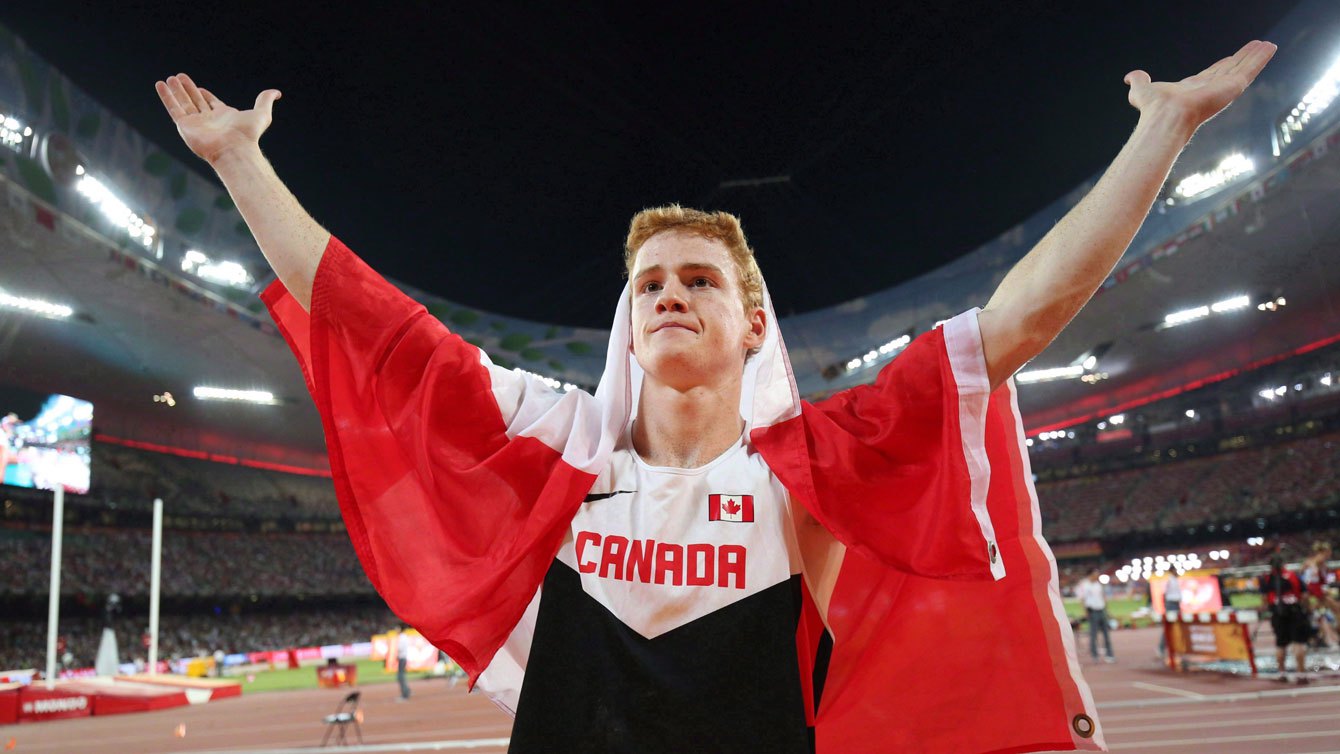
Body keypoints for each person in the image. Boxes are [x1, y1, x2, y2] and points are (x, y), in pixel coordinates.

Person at [156, 39, 1274, 753]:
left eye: (700, 279)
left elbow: (1016, 318)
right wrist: (238, 163)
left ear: (753, 321)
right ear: (626, 321)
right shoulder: (553, 438)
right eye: (649, 283)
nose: (669, 295)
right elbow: (371, 323)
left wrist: (1160, 132)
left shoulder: (811, 463)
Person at [1263, 554, 1311, 683]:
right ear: (1284, 564)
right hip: (1295, 613)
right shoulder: (1293, 576)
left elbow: (1264, 599)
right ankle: (1301, 675)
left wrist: (1271, 608)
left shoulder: (1267, 579)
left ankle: (1282, 673)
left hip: (1278, 615)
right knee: (1298, 643)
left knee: (1280, 644)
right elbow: (1305, 595)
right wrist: (1306, 608)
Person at [1075, 570, 1115, 663]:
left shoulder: (1098, 584)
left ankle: (1109, 655)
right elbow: (1082, 599)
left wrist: (1107, 610)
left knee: (1106, 633)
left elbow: (1103, 597)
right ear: (1091, 574)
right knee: (1093, 634)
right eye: (1095, 574)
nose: (1097, 576)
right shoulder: (1084, 585)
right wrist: (1085, 612)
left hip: (1101, 610)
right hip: (1092, 611)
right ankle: (1094, 655)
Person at [395, 627, 411, 702]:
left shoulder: (401, 637)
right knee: (402, 676)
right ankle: (407, 691)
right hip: (404, 658)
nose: (395, 630)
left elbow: (400, 648)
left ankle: (405, 694)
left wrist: (397, 655)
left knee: (400, 677)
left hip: (402, 658)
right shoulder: (405, 636)